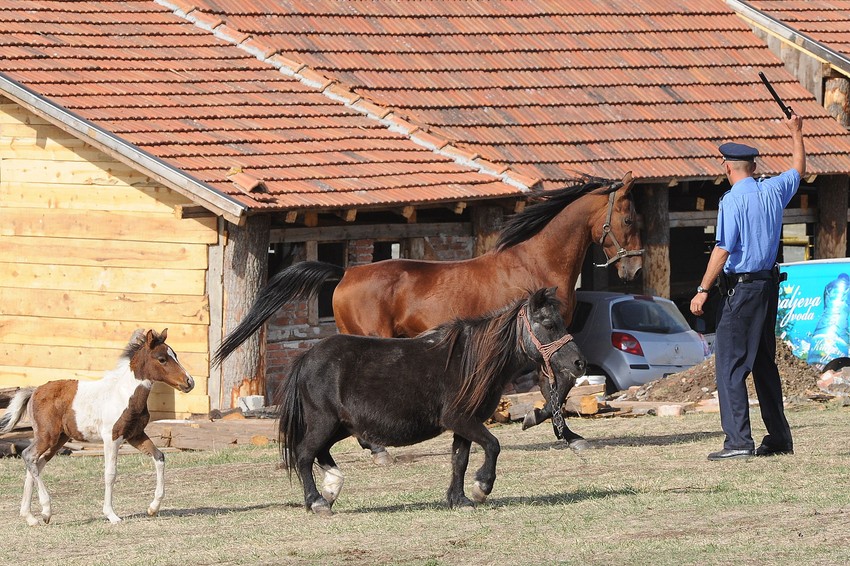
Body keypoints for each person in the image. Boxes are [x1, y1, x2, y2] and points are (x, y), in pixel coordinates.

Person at [690, 113, 805, 461]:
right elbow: (798, 169)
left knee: (729, 365)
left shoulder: (732, 201)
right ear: (753, 166)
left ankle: (738, 442)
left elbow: (723, 248)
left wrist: (703, 288)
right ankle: (780, 438)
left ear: (728, 167)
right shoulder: (772, 189)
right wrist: (796, 133)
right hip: (768, 287)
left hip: (742, 289)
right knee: (763, 363)